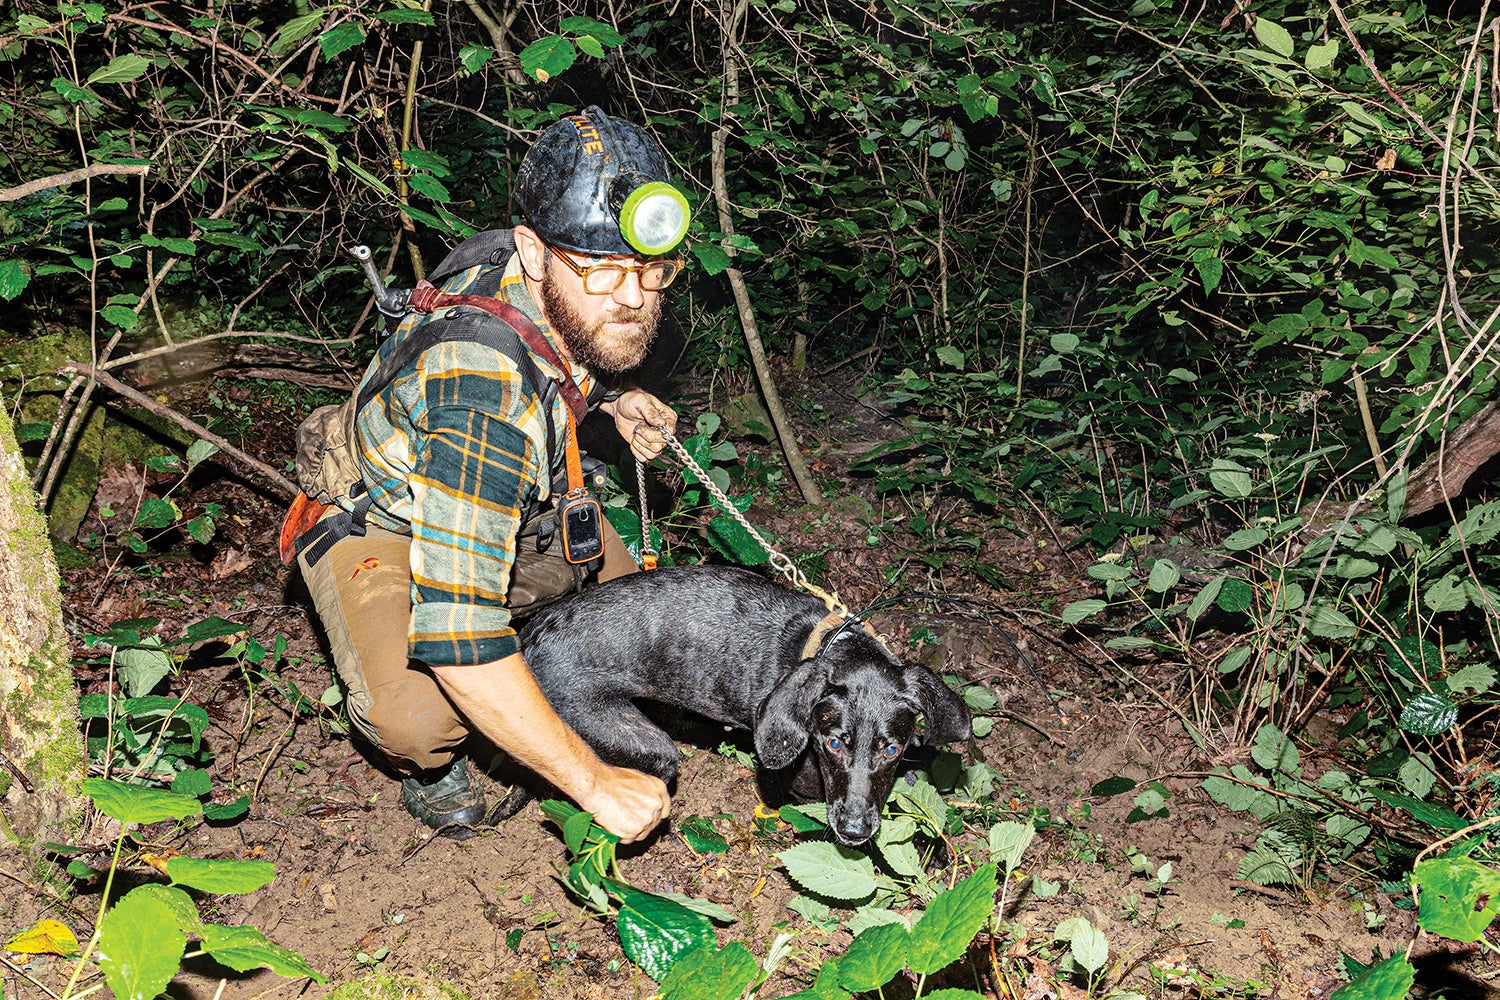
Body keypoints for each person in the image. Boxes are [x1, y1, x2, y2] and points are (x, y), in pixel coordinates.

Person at [283, 107, 689, 842]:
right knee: (418, 716)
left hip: (508, 494)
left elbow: (556, 343)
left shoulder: (536, 274)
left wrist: (611, 397)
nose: (632, 297)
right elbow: (461, 641)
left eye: (650, 271)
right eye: (603, 270)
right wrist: (593, 784)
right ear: (533, 252)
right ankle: (441, 764)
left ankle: (535, 673)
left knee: (640, 621)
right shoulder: (481, 401)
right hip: (386, 521)